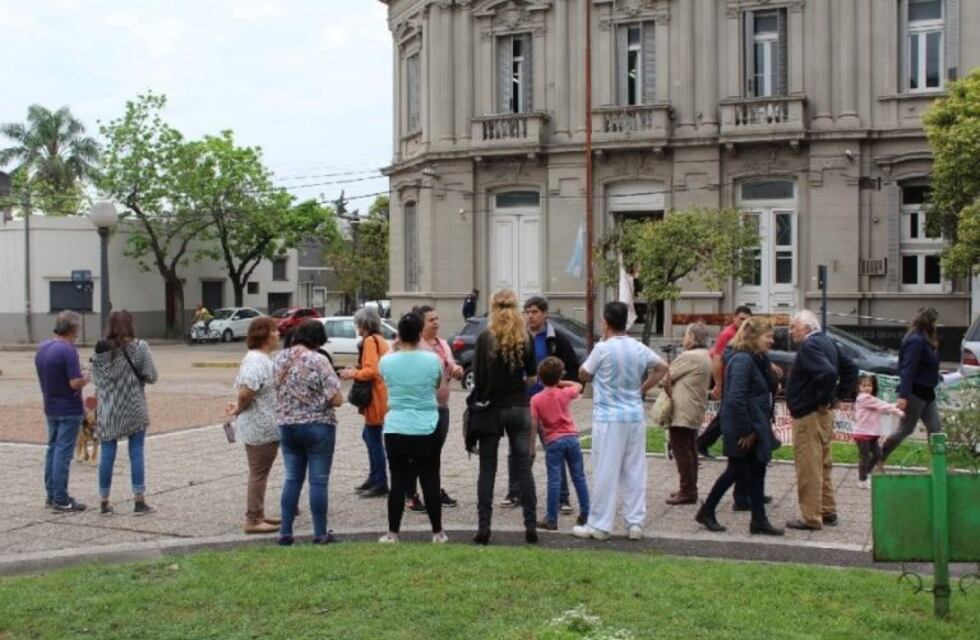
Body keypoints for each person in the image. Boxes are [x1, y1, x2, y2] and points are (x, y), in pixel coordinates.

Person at [572, 302, 668, 541]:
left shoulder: (602, 349)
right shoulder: (637, 347)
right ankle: (635, 522)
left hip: (608, 416)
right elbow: (662, 366)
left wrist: (588, 374)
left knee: (606, 470)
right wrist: (641, 388)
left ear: (606, 322)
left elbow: (584, 373)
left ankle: (600, 524)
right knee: (635, 470)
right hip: (634, 416)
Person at [695, 317, 783, 536]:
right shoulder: (743, 360)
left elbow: (763, 388)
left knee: (757, 470)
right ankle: (707, 511)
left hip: (755, 425)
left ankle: (759, 520)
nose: (772, 341)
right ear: (753, 337)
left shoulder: (758, 358)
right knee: (736, 471)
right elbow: (735, 397)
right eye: (768, 336)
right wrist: (746, 431)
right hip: (742, 428)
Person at [471, 289, 539, 546]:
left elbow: (477, 379)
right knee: (523, 467)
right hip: (519, 406)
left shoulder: (485, 337)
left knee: (488, 467)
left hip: (492, 409)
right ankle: (530, 525)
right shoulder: (526, 338)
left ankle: (484, 526)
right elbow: (532, 377)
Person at [501, 296, 580, 512]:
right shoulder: (518, 338)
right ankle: (514, 492)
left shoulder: (557, 340)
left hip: (548, 404)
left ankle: (563, 498)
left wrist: (559, 390)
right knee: (517, 449)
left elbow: (573, 368)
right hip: (523, 402)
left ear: (545, 314)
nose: (530, 316)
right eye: (526, 312)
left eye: (534, 311)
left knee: (553, 449)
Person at [377, 313, 448, 544]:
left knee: (397, 481)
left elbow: (383, 371)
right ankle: (437, 532)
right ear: (420, 333)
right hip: (427, 425)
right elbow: (438, 386)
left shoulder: (387, 360)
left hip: (396, 426)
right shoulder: (432, 360)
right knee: (430, 478)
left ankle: (393, 533)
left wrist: (395, 345)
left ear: (398, 334)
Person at [784, 309, 858, 531]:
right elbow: (851, 368)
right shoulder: (827, 341)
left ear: (806, 327)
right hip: (823, 415)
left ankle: (810, 517)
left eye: (793, 327)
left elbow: (825, 373)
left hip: (809, 414)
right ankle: (828, 510)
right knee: (824, 464)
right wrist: (839, 395)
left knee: (809, 467)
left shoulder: (809, 346)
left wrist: (824, 399)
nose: (790, 332)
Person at [274, 319, 343, 545]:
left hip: (287, 424)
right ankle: (320, 533)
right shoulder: (319, 359)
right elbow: (336, 398)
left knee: (292, 478)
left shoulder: (281, 358)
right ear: (319, 339)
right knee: (318, 482)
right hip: (318, 425)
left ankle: (285, 532)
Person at [91, 310, 159, 516]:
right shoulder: (140, 347)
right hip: (133, 406)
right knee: (136, 452)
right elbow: (152, 376)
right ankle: (139, 501)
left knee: (107, 454)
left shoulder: (100, 349)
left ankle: (104, 501)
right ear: (130, 324)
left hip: (109, 409)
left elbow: (96, 379)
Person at [226, 317, 281, 533]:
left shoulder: (261, 359)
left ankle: (259, 513)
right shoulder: (257, 360)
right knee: (258, 473)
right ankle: (253, 519)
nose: (278, 335)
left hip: (265, 425)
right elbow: (246, 390)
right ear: (265, 335)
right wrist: (239, 407)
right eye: (275, 331)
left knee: (261, 472)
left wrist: (240, 405)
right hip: (260, 426)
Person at [404, 305, 462, 511]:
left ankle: (434, 490)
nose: (436, 323)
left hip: (442, 406)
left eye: (437, 319)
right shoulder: (414, 345)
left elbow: (450, 364)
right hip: (421, 407)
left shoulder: (443, 344)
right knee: (418, 452)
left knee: (435, 451)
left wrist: (456, 369)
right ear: (421, 324)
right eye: (431, 320)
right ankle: (410, 494)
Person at [35, 311, 91, 513]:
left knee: (52, 450)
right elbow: (74, 382)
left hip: (50, 405)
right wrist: (86, 377)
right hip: (69, 407)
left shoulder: (43, 348)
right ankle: (61, 498)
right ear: (73, 329)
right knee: (63, 454)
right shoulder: (68, 350)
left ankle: (51, 495)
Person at [529, 356, 590, 531]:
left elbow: (533, 424)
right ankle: (586, 512)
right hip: (572, 438)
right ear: (559, 376)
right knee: (579, 477)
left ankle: (551, 518)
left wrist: (532, 445)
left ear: (540, 377)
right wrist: (560, 381)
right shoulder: (564, 393)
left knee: (554, 480)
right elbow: (578, 386)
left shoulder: (536, 399)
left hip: (553, 441)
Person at [339, 307, 391, 498]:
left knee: (373, 438)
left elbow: (371, 371)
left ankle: (380, 481)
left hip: (375, 397)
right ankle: (374, 476)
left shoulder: (370, 341)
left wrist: (352, 373)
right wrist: (358, 368)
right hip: (382, 394)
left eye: (357, 323)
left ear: (364, 324)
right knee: (369, 436)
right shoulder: (380, 340)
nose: (356, 327)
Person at [880, 307, 942, 464]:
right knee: (905, 429)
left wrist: (937, 375)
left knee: (935, 429)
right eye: (935, 322)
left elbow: (925, 365)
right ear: (929, 322)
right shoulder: (916, 341)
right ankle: (879, 458)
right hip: (915, 392)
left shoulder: (924, 339)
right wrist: (903, 396)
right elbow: (908, 369)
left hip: (927, 391)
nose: (936, 325)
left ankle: (937, 466)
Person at [662, 322, 712, 505]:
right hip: (695, 406)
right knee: (690, 448)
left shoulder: (689, 356)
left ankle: (687, 490)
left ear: (692, 338)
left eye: (686, 335)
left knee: (681, 449)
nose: (684, 339)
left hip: (683, 408)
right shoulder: (706, 355)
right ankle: (689, 488)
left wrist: (668, 393)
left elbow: (665, 377)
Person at [697, 306, 753, 458]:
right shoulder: (727, 334)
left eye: (747, 319)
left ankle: (702, 444)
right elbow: (716, 359)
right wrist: (719, 384)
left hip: (734, 379)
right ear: (734, 317)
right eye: (741, 318)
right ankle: (702, 444)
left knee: (724, 415)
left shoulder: (743, 334)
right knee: (725, 415)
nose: (744, 322)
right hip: (728, 381)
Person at [853, 374, 905, 489]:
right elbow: (881, 405)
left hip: (871, 433)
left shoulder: (871, 400)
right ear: (858, 387)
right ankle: (862, 479)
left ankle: (865, 473)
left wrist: (895, 405)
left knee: (878, 454)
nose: (867, 388)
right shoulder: (863, 398)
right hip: (862, 434)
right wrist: (899, 412)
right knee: (864, 457)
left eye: (869, 385)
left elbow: (882, 406)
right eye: (864, 385)